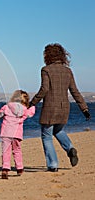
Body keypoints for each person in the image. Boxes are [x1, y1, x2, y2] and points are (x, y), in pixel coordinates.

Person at [30, 43, 91, 172]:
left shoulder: (46, 70)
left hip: (50, 109)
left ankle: (53, 164)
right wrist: (84, 109)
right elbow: (75, 91)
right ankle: (70, 148)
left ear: (48, 55)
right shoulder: (68, 71)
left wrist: (32, 103)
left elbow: (44, 89)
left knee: (46, 136)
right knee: (58, 131)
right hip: (64, 109)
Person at [0, 90, 35, 179]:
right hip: (17, 134)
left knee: (5, 151)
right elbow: (31, 113)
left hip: (6, 133)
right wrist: (33, 106)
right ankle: (19, 168)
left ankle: (5, 168)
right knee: (17, 150)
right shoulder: (24, 110)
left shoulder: (6, 107)